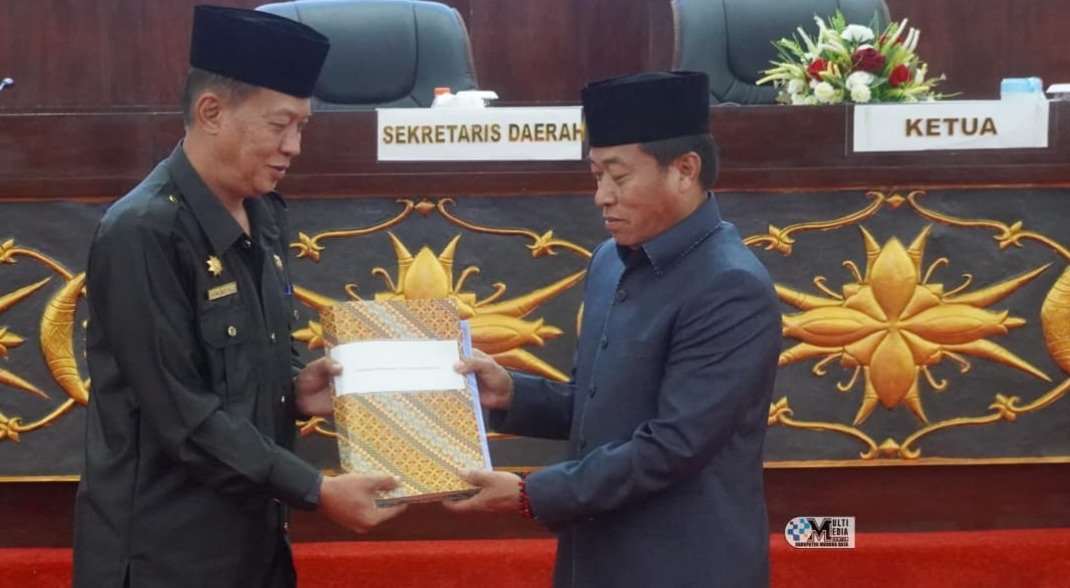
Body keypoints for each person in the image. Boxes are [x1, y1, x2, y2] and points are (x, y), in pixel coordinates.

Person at [72, 6, 405, 587]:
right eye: (279, 125)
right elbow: (184, 418)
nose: (294, 146)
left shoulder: (263, 213)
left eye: (302, 127)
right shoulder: (143, 233)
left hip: (256, 541)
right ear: (212, 112)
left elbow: (248, 358)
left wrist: (294, 387)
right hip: (166, 556)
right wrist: (315, 489)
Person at [448, 71, 782, 587]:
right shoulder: (610, 260)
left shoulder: (730, 286)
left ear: (685, 170)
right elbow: (600, 405)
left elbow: (673, 446)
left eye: (619, 177)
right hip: (593, 555)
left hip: (683, 565)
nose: (601, 196)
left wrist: (530, 493)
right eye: (595, 175)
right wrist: (511, 394)